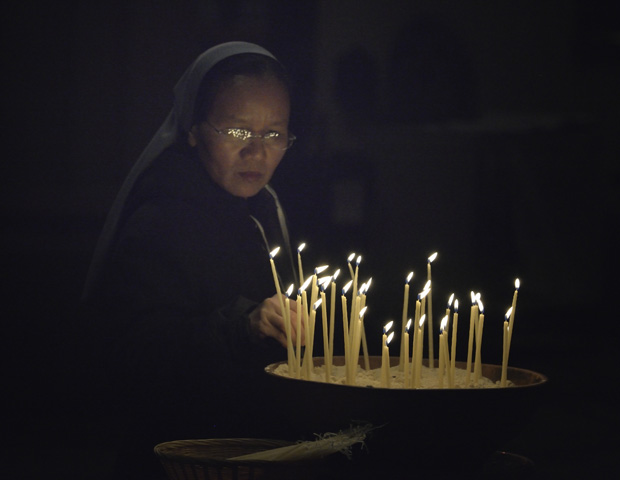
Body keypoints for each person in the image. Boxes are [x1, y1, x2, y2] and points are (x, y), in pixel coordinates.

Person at [80, 41, 302, 479]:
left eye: (274, 134)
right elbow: (136, 360)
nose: (256, 152)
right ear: (194, 129)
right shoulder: (160, 219)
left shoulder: (265, 207)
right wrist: (246, 326)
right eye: (237, 131)